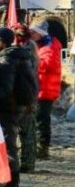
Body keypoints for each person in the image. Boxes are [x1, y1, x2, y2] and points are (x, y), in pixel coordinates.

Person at [0, 27, 35, 187]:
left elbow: (5, 88)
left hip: (8, 107)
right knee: (9, 143)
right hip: (17, 105)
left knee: (8, 145)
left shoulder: (6, 57)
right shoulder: (19, 54)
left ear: (5, 42)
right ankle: (7, 182)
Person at [30, 21, 61, 161]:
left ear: (41, 33)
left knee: (42, 121)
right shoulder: (43, 45)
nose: (31, 35)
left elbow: (45, 65)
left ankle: (43, 149)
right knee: (39, 120)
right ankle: (39, 148)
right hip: (40, 88)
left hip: (46, 90)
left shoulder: (50, 46)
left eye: (33, 32)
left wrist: (30, 60)